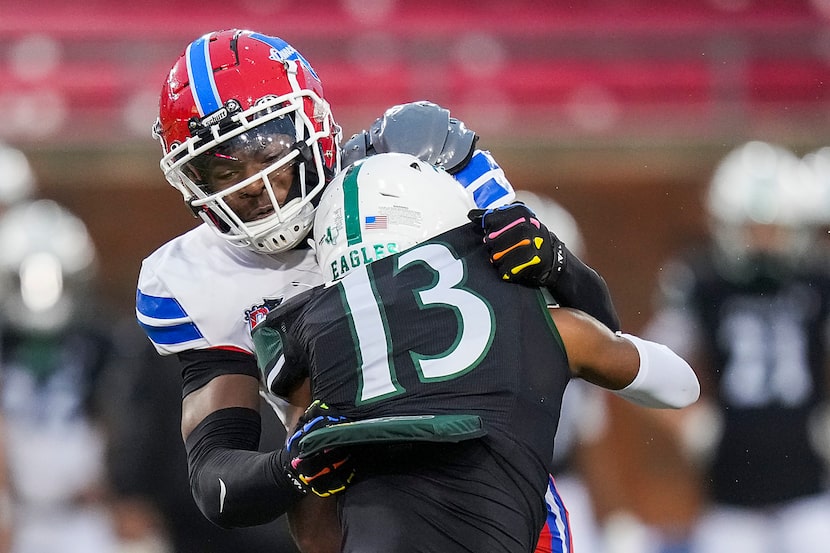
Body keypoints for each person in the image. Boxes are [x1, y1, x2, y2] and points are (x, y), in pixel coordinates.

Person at [135, 29, 620, 553]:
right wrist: (292, 467)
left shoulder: (417, 167)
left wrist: (556, 266)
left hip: (495, 481)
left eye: (263, 146)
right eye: (218, 165)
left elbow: (597, 334)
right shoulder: (196, 278)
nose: (251, 181)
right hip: (357, 516)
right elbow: (217, 482)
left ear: (312, 124)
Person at [249, 152, 700, 552]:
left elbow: (316, 538)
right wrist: (561, 272)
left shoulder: (313, 346)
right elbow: (679, 385)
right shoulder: (543, 327)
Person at [644, 140, 830, 553]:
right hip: (731, 491)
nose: (764, 240)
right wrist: (690, 424)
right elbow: (644, 364)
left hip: (810, 486)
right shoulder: (701, 282)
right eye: (753, 227)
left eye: (774, 227)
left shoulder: (818, 279)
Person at [0, 199, 119, 553]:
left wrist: (117, 489)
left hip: (84, 510)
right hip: (17, 511)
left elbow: (114, 417)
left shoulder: (102, 342)